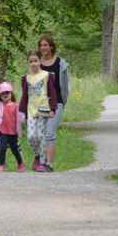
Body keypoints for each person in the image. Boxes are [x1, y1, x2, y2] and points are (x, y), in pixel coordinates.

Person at [19, 50, 58, 172]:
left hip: (43, 110)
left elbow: (52, 92)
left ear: (40, 61)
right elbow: (25, 96)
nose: (33, 63)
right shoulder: (26, 78)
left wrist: (52, 108)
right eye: (31, 61)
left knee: (41, 136)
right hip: (31, 110)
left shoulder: (47, 75)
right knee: (31, 136)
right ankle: (37, 155)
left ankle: (42, 162)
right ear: (28, 63)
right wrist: (22, 112)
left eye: (35, 60)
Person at [38, 34, 70, 171]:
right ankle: (41, 162)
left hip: (56, 104)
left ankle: (49, 164)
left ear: (51, 46)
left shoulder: (60, 64)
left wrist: (62, 102)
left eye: (46, 45)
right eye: (41, 45)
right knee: (40, 133)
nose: (43, 48)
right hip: (40, 104)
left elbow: (65, 86)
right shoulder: (36, 63)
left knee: (50, 133)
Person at [0, 82, 26, 172]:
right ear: (0, 95)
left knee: (14, 149)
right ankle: (1, 165)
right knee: (3, 147)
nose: (5, 95)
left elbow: (21, 117)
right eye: (2, 93)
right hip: (3, 131)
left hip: (13, 132)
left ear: (11, 93)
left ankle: (20, 164)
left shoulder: (16, 105)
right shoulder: (0, 104)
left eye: (7, 93)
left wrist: (24, 116)